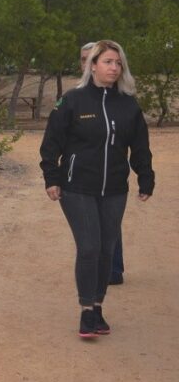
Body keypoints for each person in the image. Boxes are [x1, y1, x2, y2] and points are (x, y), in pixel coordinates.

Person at [41, 39, 153, 338]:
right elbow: (51, 143)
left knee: (106, 250)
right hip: (77, 187)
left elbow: (140, 146)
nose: (114, 68)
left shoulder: (128, 105)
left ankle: (98, 305)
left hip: (115, 189)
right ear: (92, 66)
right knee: (89, 247)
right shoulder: (73, 101)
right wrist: (51, 178)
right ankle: (86, 310)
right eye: (107, 62)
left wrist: (145, 177)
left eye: (118, 63)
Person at [79, 42, 126, 286]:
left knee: (109, 224)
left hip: (112, 176)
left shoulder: (119, 99)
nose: (86, 63)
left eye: (90, 58)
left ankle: (112, 269)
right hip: (84, 177)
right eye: (83, 59)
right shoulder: (76, 98)